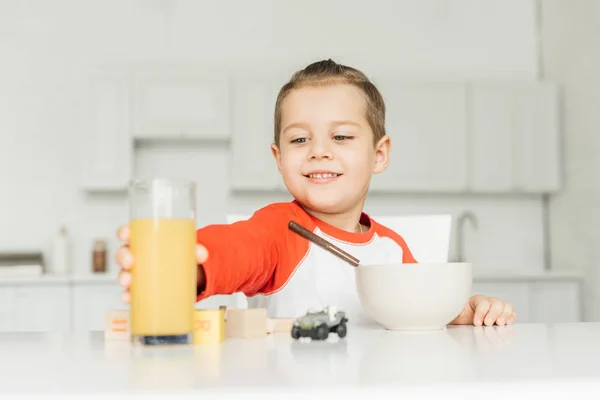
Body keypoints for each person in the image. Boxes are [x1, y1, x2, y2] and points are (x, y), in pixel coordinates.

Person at [116, 59, 516, 327]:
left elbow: (425, 309)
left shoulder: (394, 249)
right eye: (300, 138)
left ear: (379, 154)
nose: (319, 150)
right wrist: (189, 266)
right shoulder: (280, 229)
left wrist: (469, 312)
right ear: (279, 156)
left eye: (340, 136)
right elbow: (237, 249)